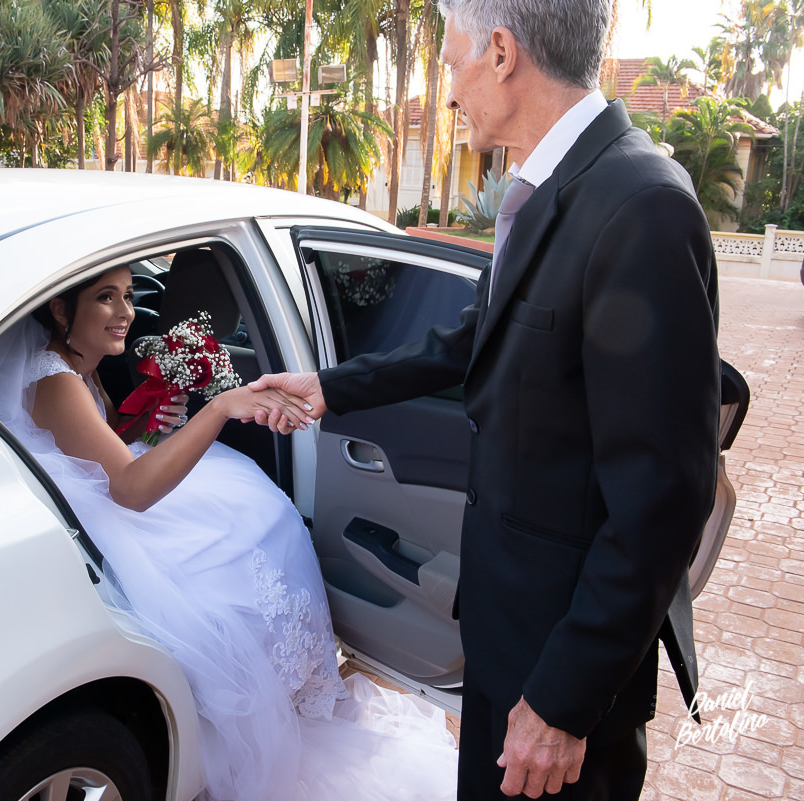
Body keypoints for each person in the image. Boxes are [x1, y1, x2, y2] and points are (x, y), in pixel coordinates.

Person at [250, 1, 722, 799]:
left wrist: (564, 700)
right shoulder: (549, 185)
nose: (447, 91)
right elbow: (476, 337)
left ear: (501, 53)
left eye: (451, 63)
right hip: (509, 636)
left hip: (562, 665)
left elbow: (664, 499)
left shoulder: (642, 205)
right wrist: (330, 387)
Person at [0, 265, 458, 801]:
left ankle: (279, 696)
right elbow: (131, 490)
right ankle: (254, 709)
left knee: (255, 515)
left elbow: (97, 446)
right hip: (99, 520)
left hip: (104, 498)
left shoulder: (78, 365)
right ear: (61, 310)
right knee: (242, 536)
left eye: (129, 296)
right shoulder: (55, 378)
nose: (125, 313)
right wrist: (219, 407)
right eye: (105, 298)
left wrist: (155, 423)